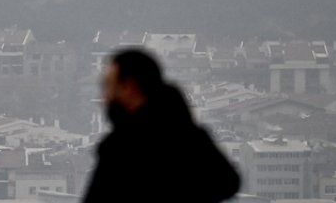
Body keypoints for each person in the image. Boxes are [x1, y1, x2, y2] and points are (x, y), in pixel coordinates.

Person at [83, 48, 240, 202]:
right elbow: (228, 183)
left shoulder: (121, 147)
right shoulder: (189, 136)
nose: (104, 97)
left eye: (108, 86)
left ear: (129, 87)